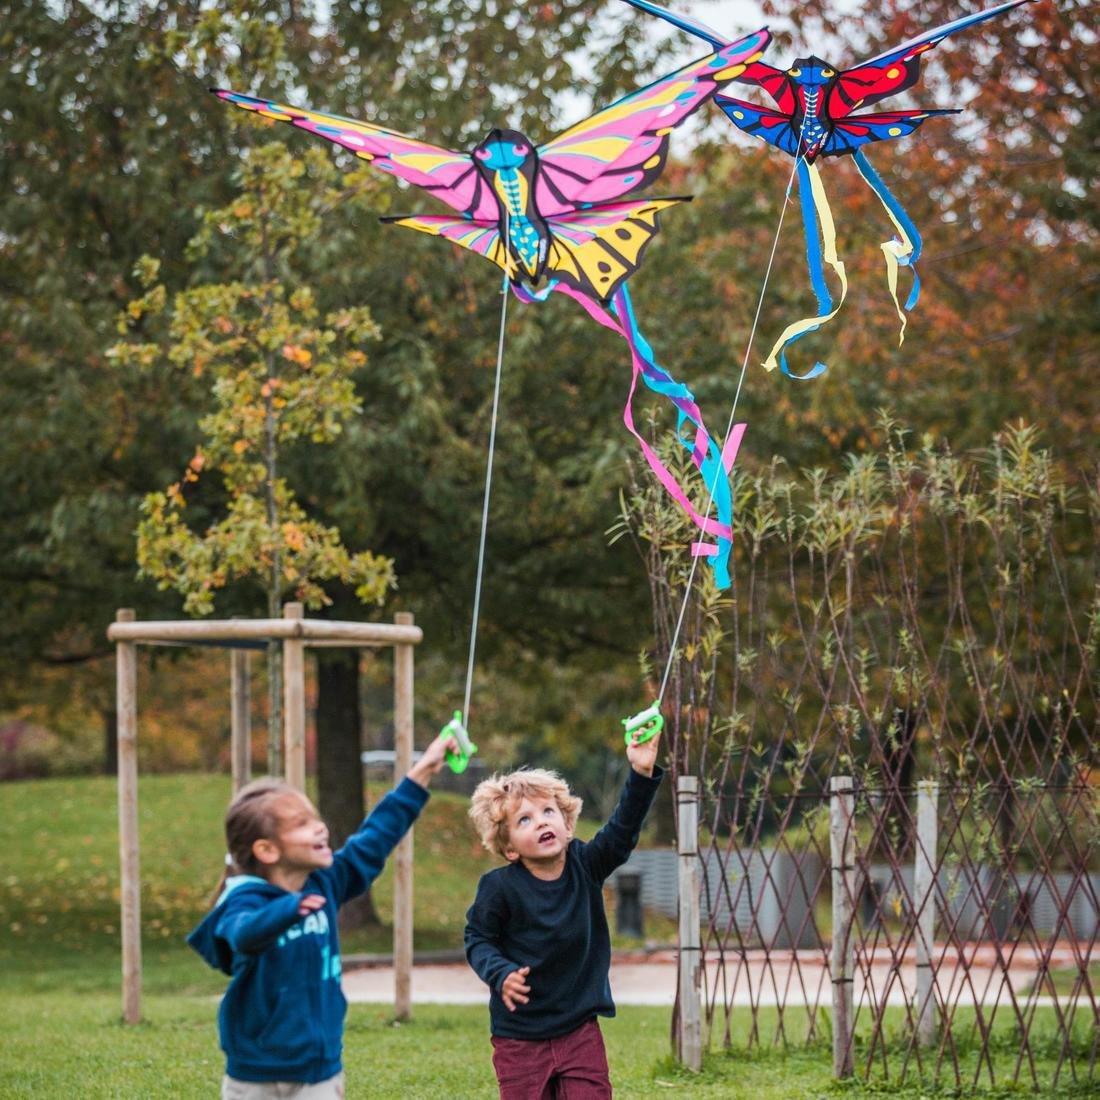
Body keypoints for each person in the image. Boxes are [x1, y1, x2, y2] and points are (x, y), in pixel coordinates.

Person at [188, 732, 455, 1100]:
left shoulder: (325, 882)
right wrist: (287, 908)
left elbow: (376, 836)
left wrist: (422, 771)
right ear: (266, 849)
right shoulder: (243, 900)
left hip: (319, 1071)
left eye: (315, 819)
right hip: (253, 1073)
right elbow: (242, 935)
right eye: (301, 824)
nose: (320, 828)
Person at [464, 725, 663, 1099]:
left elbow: (622, 831)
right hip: (520, 1036)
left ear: (567, 823)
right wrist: (500, 973)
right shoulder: (499, 888)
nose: (540, 821)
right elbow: (478, 940)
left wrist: (640, 772)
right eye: (524, 819)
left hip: (578, 1029)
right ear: (509, 848)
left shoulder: (586, 865)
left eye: (548, 811)